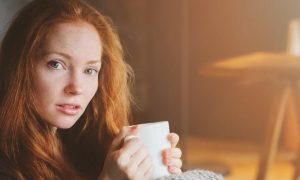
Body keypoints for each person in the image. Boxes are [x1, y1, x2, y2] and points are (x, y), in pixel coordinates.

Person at [0, 0, 182, 179]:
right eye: (56, 64)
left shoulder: (90, 144)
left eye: (90, 70)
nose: (77, 88)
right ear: (19, 67)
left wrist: (157, 170)